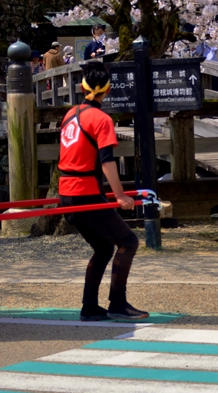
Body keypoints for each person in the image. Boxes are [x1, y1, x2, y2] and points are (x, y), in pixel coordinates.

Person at [57, 61, 148, 321]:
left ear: (83, 87)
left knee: (104, 248)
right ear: (108, 90)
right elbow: (107, 160)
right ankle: (117, 303)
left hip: (67, 193)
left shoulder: (70, 115)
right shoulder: (102, 119)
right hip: (85, 192)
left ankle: (89, 307)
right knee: (128, 241)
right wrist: (120, 196)